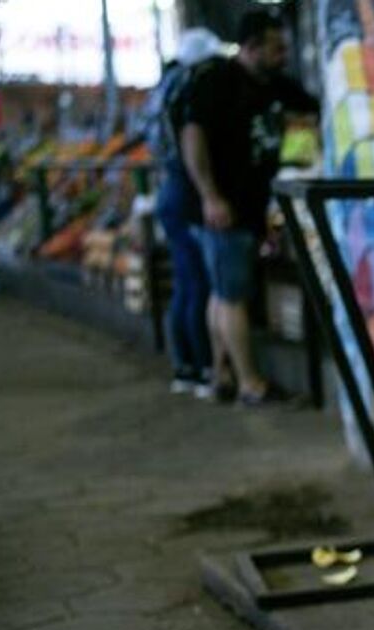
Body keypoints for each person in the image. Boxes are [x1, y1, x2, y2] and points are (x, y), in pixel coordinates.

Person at [177, 9, 318, 406]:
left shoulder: (276, 85)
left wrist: (302, 150)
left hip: (244, 208)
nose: (284, 56)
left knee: (222, 293)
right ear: (251, 47)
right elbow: (192, 139)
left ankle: (221, 374)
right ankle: (250, 384)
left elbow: (311, 110)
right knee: (232, 297)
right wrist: (211, 196)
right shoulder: (216, 82)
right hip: (222, 210)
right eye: (276, 49)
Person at [147, 28, 224, 396]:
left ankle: (184, 366)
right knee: (198, 283)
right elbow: (192, 144)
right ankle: (204, 366)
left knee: (185, 282)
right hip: (184, 191)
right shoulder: (189, 90)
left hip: (171, 190)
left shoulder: (164, 89)